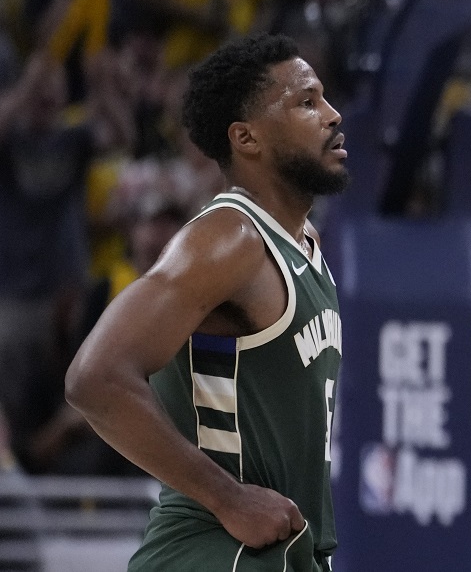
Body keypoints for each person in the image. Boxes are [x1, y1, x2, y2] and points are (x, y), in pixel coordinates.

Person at [64, 34, 348, 571]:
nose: (332, 115)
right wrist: (228, 498)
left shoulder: (303, 243)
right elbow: (94, 379)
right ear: (246, 138)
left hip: (278, 550)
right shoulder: (229, 239)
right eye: (306, 102)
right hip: (216, 550)